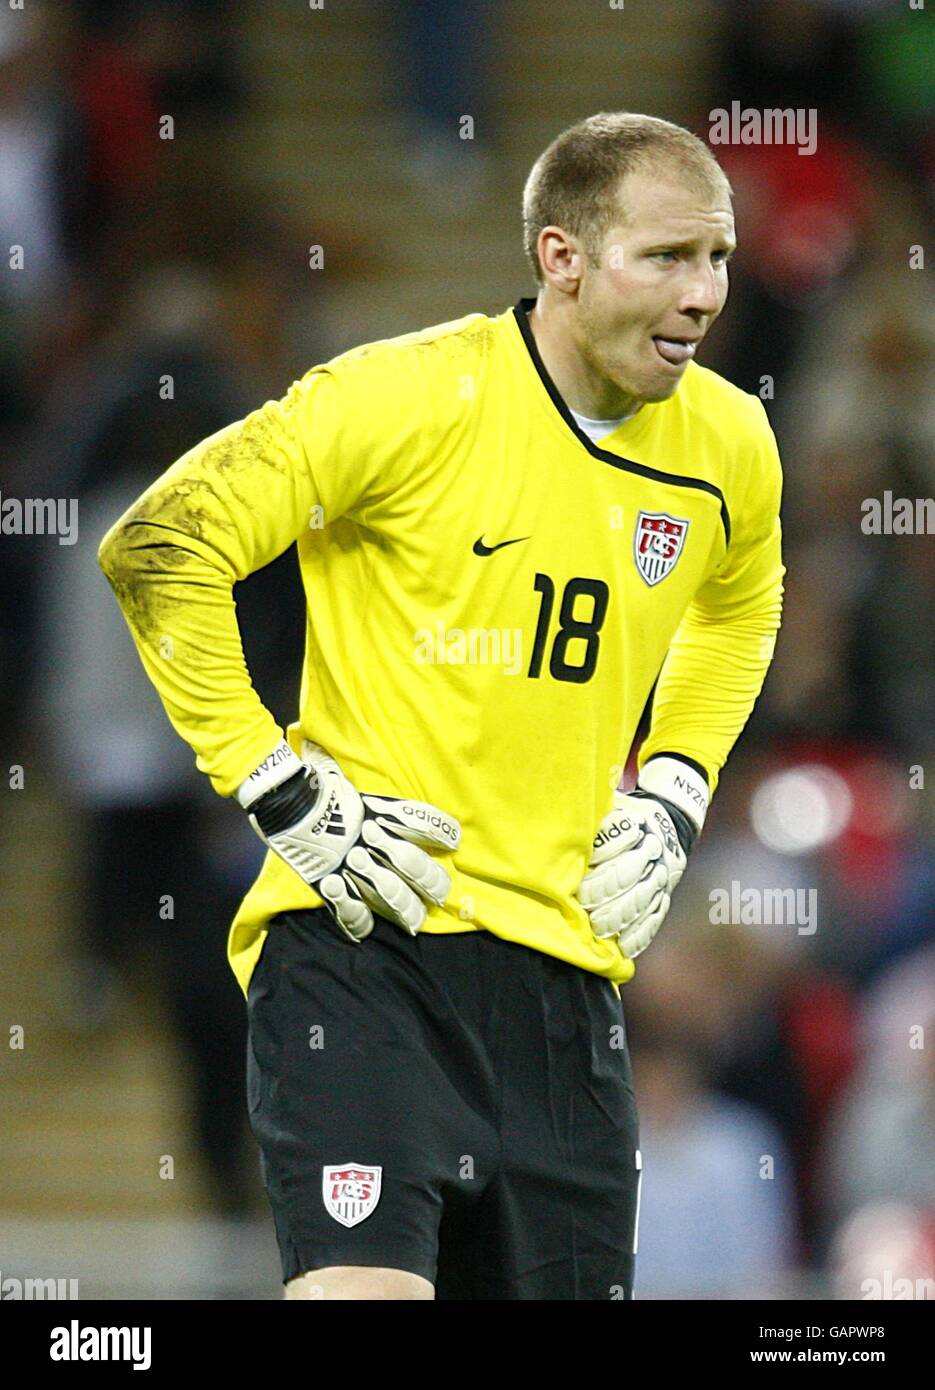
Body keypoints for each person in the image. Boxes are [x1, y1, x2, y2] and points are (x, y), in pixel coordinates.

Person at [98, 111, 785, 1301]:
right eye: (666, 257)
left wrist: (674, 787)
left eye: (716, 257)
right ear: (560, 256)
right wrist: (274, 784)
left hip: (566, 984)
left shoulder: (729, 444)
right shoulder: (400, 399)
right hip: (364, 951)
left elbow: (739, 604)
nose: (704, 293)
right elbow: (160, 547)